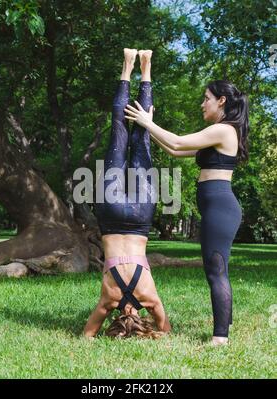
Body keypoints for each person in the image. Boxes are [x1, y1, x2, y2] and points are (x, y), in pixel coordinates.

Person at [125, 77, 248, 346]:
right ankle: (224, 322)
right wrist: (148, 127)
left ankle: (220, 338)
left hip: (221, 207)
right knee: (216, 269)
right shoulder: (218, 131)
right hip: (215, 207)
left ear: (222, 101)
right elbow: (174, 150)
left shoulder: (225, 130)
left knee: (216, 270)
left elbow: (179, 142)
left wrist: (147, 122)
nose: (202, 104)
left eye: (206, 98)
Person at [83, 48, 171, 338]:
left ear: (137, 319)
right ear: (117, 320)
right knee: (118, 133)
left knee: (142, 138)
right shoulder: (107, 301)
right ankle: (127, 65)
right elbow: (88, 334)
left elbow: (163, 325)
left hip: (139, 216)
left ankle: (145, 68)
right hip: (109, 214)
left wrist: (159, 332)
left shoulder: (149, 298)